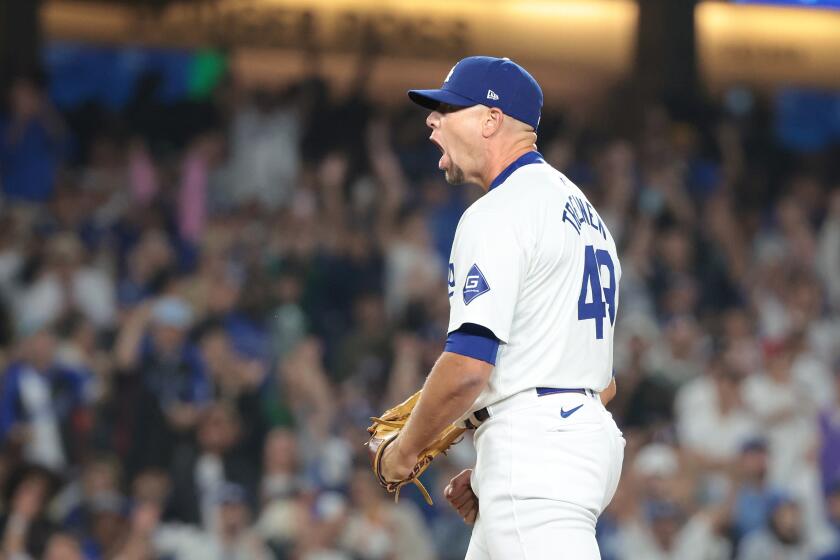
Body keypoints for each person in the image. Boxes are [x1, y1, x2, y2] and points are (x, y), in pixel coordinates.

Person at [378, 56, 624, 559]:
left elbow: (468, 367)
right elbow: (604, 383)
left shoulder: (499, 211)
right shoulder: (585, 215)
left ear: (490, 119)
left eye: (447, 109)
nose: (432, 120)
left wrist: (406, 451)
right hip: (567, 441)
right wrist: (500, 460)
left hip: (538, 452)